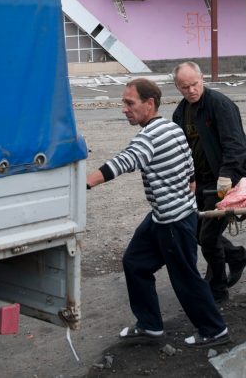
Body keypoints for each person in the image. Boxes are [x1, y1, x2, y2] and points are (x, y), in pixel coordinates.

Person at [86, 78, 230, 348]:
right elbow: (189, 161)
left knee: (185, 277)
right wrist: (188, 180)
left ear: (149, 104)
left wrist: (85, 183)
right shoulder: (171, 127)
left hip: (174, 220)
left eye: (130, 103)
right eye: (123, 103)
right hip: (164, 215)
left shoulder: (149, 137)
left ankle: (214, 330)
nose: (124, 109)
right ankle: (150, 326)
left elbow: (124, 161)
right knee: (135, 262)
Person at [172, 62, 246, 303]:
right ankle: (238, 256)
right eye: (185, 86)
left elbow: (235, 145)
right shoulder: (180, 113)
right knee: (199, 232)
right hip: (201, 180)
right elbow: (182, 151)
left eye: (195, 84)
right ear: (177, 87)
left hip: (229, 175)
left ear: (203, 79)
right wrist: (188, 179)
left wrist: (226, 178)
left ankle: (217, 288)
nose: (191, 90)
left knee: (209, 237)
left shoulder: (219, 105)